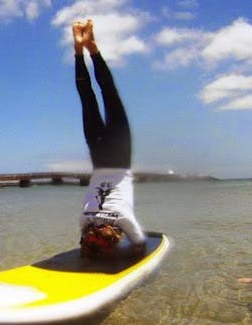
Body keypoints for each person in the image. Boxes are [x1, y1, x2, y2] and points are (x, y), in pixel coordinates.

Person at [72, 20, 146, 258]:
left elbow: (140, 244)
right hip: (98, 156)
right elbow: (84, 236)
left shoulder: (124, 219)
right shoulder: (84, 220)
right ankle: (79, 52)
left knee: (109, 95)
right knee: (87, 99)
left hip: (120, 155)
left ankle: (92, 49)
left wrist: (131, 252)